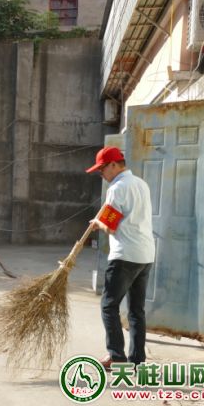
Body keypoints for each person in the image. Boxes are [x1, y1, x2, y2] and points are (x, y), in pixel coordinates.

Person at [86, 147, 155, 370]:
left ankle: (116, 356)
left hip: (125, 255)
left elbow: (110, 225)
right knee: (136, 310)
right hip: (145, 254)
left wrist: (98, 223)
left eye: (102, 169)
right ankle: (137, 360)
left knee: (109, 305)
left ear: (114, 165)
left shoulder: (117, 188)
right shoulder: (141, 184)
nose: (101, 174)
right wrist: (103, 221)